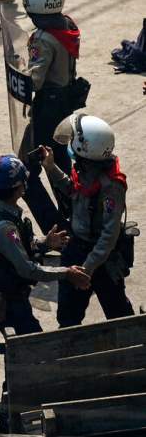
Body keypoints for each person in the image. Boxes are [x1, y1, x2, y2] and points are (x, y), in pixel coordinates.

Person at [0, 155, 91, 337]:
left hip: (15, 298)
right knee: (33, 350)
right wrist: (66, 273)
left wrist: (45, 243)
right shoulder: (4, 228)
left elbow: (18, 250)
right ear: (18, 189)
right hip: (10, 305)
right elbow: (28, 270)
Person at [40, 115, 134, 327]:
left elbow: (108, 237)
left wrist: (87, 269)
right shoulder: (85, 171)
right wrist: (50, 167)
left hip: (102, 258)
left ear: (86, 148)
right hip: (76, 248)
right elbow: (73, 190)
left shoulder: (111, 187)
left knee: (119, 315)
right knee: (68, 317)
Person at [19, 0, 83, 233]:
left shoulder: (42, 39)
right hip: (65, 101)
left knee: (31, 170)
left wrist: (18, 73)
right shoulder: (67, 25)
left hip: (48, 105)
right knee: (59, 163)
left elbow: (34, 80)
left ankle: (56, 226)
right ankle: (75, 218)